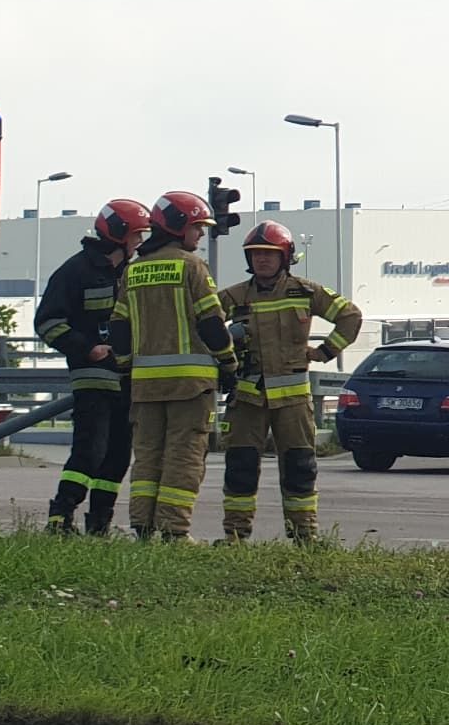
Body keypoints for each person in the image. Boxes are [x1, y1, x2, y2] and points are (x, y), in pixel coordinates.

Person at [217, 220, 361, 543]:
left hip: (294, 404)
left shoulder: (306, 292)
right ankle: (235, 537)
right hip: (247, 401)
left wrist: (325, 351)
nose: (262, 260)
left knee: (300, 467)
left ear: (286, 256)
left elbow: (350, 315)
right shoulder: (234, 296)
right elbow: (203, 323)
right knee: (240, 467)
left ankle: (304, 536)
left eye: (269, 254)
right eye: (255, 254)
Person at [109, 190, 235, 540]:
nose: (200, 235)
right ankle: (175, 531)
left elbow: (118, 326)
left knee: (147, 456)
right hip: (190, 386)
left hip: (145, 386)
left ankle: (143, 527)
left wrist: (125, 367)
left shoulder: (134, 270)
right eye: (197, 227)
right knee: (184, 456)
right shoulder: (191, 266)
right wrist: (229, 363)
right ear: (179, 226)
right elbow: (211, 322)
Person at [37, 199, 150, 535]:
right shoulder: (76, 271)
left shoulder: (133, 271)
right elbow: (48, 323)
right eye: (136, 235)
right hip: (93, 378)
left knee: (117, 457)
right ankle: (61, 516)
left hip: (129, 379)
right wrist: (88, 349)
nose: (140, 243)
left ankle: (99, 524)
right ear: (117, 234)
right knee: (90, 452)